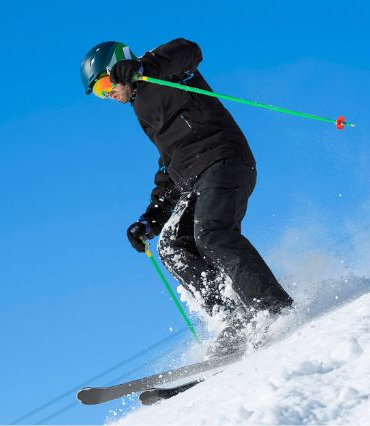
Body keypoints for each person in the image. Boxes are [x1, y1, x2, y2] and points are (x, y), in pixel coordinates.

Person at [80, 39, 293, 356]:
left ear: (119, 68)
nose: (109, 94)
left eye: (106, 84)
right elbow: (169, 165)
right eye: (100, 93)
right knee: (172, 246)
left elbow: (188, 50)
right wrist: (150, 218)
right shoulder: (142, 111)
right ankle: (233, 319)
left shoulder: (161, 71)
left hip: (225, 161)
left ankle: (273, 309)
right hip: (195, 179)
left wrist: (143, 67)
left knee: (210, 233)